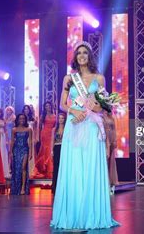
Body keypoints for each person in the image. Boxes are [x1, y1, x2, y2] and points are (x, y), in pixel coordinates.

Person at [51, 41, 119, 229]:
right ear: (75, 57)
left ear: (89, 56)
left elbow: (104, 105)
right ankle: (73, 214)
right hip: (74, 126)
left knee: (89, 168)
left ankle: (91, 214)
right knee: (74, 169)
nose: (82, 55)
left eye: (85, 52)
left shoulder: (99, 78)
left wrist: (96, 107)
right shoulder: (69, 79)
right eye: (79, 53)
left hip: (90, 126)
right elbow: (62, 104)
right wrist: (74, 111)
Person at [10, 114, 32, 195]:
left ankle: (23, 188)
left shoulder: (28, 129)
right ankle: (16, 188)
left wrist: (31, 153)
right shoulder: (14, 129)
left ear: (25, 120)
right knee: (16, 169)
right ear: (18, 120)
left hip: (25, 149)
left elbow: (30, 141)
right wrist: (11, 152)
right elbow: (12, 141)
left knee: (23, 167)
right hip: (16, 149)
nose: (22, 120)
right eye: (20, 118)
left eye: (23, 118)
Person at [33, 101, 56, 179]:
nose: (48, 107)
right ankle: (44, 168)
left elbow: (55, 126)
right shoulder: (43, 115)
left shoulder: (54, 115)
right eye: (46, 106)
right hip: (45, 133)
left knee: (50, 150)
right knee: (45, 150)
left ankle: (50, 169)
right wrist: (38, 137)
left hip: (52, 134)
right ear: (45, 107)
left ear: (51, 106)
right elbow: (39, 127)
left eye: (49, 106)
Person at [103, 109, 119, 190]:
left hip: (111, 137)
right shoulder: (100, 116)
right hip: (104, 138)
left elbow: (114, 129)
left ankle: (111, 179)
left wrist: (115, 140)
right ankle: (104, 180)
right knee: (105, 158)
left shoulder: (111, 117)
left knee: (111, 160)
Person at [50, 113, 66, 194]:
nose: (61, 119)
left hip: (64, 149)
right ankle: (55, 187)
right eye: (59, 118)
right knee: (56, 168)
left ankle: (63, 188)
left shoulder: (67, 129)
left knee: (63, 168)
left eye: (62, 118)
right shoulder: (54, 129)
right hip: (56, 148)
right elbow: (52, 140)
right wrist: (51, 151)